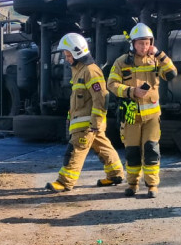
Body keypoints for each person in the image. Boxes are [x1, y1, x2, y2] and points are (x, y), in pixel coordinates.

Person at [44, 33, 124, 192]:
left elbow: (101, 97)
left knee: (75, 151)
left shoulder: (90, 71)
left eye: (68, 55)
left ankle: (65, 182)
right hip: (84, 122)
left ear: (77, 52)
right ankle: (115, 174)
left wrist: (96, 122)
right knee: (103, 147)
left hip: (88, 124)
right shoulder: (78, 70)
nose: (66, 58)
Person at [107, 23, 178, 198]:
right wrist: (131, 91)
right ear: (133, 44)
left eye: (147, 43)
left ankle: (152, 185)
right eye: (140, 43)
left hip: (152, 116)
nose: (144, 47)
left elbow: (172, 73)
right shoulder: (121, 62)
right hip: (131, 114)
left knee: (152, 150)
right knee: (132, 151)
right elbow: (112, 85)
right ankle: (132, 184)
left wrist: (160, 54)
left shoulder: (155, 60)